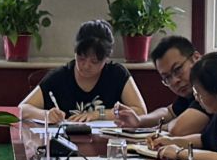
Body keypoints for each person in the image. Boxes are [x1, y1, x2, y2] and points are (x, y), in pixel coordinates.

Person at [18, 20, 148, 124]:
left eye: (94, 61)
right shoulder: (60, 77)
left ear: (106, 58)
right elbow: (22, 109)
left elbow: (141, 112)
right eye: (81, 58)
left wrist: (99, 114)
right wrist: (46, 115)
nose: (86, 66)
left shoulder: (117, 75)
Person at [112, 34, 208, 136]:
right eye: (167, 77)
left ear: (196, 58)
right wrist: (139, 120)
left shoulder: (209, 85)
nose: (174, 81)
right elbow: (169, 112)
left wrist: (160, 127)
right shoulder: (189, 92)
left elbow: (178, 129)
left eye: (177, 69)